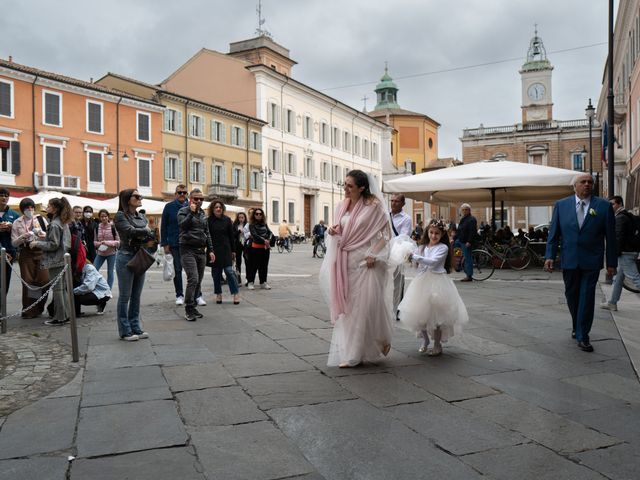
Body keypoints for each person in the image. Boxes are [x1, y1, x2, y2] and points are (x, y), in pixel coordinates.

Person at [323, 169, 393, 367]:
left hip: (365, 263)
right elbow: (340, 228)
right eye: (344, 184)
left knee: (362, 309)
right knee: (349, 309)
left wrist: (373, 253)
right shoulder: (341, 207)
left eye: (350, 186)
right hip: (344, 262)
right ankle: (379, 339)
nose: (345, 188)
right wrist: (332, 230)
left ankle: (353, 355)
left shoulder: (374, 207)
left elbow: (385, 236)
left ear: (361, 188)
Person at [544, 173, 616, 353]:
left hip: (592, 261)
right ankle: (577, 325)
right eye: (583, 182)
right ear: (574, 186)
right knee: (571, 295)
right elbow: (554, 234)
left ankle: (584, 335)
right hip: (569, 259)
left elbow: (611, 238)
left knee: (587, 296)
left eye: (590, 182)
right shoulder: (561, 205)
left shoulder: (603, 206)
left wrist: (611, 263)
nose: (587, 185)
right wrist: (550, 256)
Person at [397, 220, 468, 356]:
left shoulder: (443, 248)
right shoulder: (422, 247)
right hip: (422, 281)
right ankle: (425, 340)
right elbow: (417, 264)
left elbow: (433, 262)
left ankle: (437, 344)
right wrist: (409, 259)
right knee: (419, 314)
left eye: (437, 233)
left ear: (442, 235)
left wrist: (415, 257)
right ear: (427, 232)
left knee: (437, 316)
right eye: (431, 232)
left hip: (437, 282)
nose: (433, 236)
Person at [114, 189, 152, 341]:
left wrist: (143, 232)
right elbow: (130, 231)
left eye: (140, 196)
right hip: (125, 256)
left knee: (136, 296)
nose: (139, 198)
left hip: (139, 255)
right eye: (136, 196)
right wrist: (145, 231)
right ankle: (125, 330)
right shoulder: (120, 216)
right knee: (125, 296)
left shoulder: (141, 216)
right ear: (127, 199)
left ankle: (135, 326)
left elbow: (149, 234)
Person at [30, 197, 72, 326]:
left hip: (56, 260)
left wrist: (37, 243)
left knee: (58, 289)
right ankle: (65, 315)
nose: (47, 207)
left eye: (49, 205)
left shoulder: (54, 223)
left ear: (55, 208)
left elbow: (53, 244)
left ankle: (59, 317)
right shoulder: (62, 221)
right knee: (62, 288)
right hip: (63, 258)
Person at [162, 185, 205, 306]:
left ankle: (198, 295)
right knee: (177, 270)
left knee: (194, 272)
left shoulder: (195, 206)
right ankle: (179, 294)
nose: (182, 194)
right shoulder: (169, 207)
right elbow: (163, 226)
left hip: (190, 243)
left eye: (184, 192)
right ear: (175, 194)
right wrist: (165, 243)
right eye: (179, 192)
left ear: (187, 195)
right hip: (175, 243)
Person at [178, 189, 214, 321]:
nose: (199, 201)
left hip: (201, 250)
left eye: (201, 199)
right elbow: (182, 226)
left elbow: (207, 232)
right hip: (187, 249)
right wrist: (191, 213)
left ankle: (193, 306)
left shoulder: (203, 213)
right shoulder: (183, 211)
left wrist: (210, 249)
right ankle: (188, 308)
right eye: (196, 199)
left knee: (198, 280)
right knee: (193, 278)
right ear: (190, 199)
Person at [11, 198, 49, 318]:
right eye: (27, 208)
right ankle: (28, 310)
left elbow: (49, 235)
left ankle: (39, 307)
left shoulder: (40, 219)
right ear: (22, 210)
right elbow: (14, 243)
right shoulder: (17, 222)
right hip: (26, 252)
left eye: (32, 207)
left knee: (44, 280)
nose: (30, 210)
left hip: (41, 250)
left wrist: (42, 234)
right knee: (28, 281)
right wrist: (23, 236)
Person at [601, 196, 640, 311]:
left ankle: (612, 302)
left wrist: (614, 254)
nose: (610, 206)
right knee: (618, 278)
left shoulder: (620, 218)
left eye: (612, 204)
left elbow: (617, 238)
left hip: (625, 253)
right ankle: (612, 302)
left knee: (635, 278)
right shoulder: (628, 215)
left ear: (619, 204)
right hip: (631, 251)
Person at [208, 200, 239, 305]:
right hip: (214, 250)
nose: (218, 209)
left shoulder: (227, 220)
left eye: (220, 207)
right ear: (212, 209)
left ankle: (235, 293)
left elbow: (231, 236)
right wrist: (209, 250)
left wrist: (234, 250)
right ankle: (218, 294)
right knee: (216, 274)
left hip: (226, 249)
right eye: (216, 207)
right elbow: (207, 237)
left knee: (229, 271)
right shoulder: (208, 221)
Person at [390, 194, 412, 317]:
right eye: (392, 201)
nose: (393, 203)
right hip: (384, 251)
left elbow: (404, 237)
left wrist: (389, 243)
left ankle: (398, 308)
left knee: (398, 282)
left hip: (398, 252)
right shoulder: (385, 215)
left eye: (396, 201)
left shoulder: (406, 218)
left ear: (403, 203)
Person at [0, 188, 20, 310]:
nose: (4, 198)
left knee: (5, 281)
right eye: (1, 195)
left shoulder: (14, 214)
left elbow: (20, 232)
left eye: (6, 196)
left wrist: (12, 228)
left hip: (10, 252)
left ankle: (1, 308)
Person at [246, 208, 273, 290]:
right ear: (254, 215)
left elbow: (270, 233)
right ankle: (250, 282)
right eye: (256, 214)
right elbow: (254, 235)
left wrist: (269, 240)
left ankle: (263, 282)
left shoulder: (264, 224)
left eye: (260, 214)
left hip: (265, 248)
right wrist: (265, 240)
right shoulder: (251, 224)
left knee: (264, 266)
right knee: (253, 266)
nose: (258, 215)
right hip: (255, 248)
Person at [93, 209, 120, 289]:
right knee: (94, 270)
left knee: (110, 272)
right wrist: (99, 244)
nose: (104, 218)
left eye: (105, 216)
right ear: (99, 218)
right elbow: (94, 241)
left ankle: (108, 290)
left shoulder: (113, 227)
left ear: (108, 217)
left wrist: (107, 242)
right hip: (100, 253)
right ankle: (96, 287)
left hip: (111, 253)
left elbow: (118, 242)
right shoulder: (97, 227)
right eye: (102, 216)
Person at [457, 203, 478, 282]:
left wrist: (469, 241)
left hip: (466, 241)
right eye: (463, 209)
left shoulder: (471, 219)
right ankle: (458, 264)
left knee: (467, 258)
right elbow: (460, 230)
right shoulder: (463, 218)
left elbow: (473, 232)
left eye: (466, 209)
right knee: (455, 249)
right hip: (461, 240)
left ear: (469, 210)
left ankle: (469, 275)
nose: (464, 211)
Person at [232, 212, 248, 284]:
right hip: (238, 245)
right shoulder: (235, 225)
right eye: (239, 217)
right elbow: (232, 235)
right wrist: (238, 231)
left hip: (246, 245)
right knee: (238, 262)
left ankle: (248, 278)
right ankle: (238, 278)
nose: (241, 219)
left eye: (242, 217)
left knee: (247, 261)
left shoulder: (247, 225)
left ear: (245, 218)